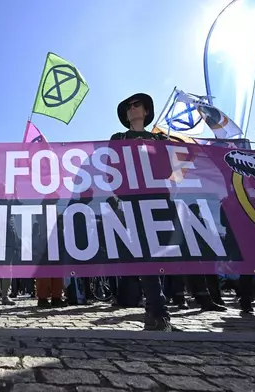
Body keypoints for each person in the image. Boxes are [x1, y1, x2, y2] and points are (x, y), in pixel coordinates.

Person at [110, 92, 179, 332]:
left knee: (158, 254)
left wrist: (159, 149)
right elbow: (112, 169)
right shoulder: (118, 137)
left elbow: (165, 170)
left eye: (136, 105)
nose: (132, 109)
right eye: (128, 106)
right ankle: (158, 312)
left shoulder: (159, 140)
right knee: (145, 254)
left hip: (159, 197)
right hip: (133, 200)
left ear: (146, 110)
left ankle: (156, 310)